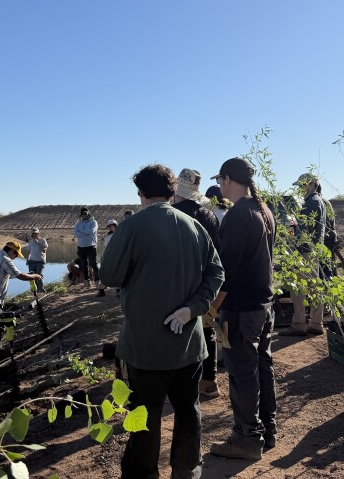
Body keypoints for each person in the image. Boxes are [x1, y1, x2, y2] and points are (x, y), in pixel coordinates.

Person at [101, 164, 225, 479]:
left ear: (141, 193)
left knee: (144, 416)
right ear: (172, 192)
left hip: (144, 347)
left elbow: (110, 276)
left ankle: (143, 475)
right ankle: (187, 471)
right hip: (189, 344)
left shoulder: (131, 227)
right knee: (188, 411)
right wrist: (192, 308)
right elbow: (216, 273)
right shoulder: (194, 226)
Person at [209, 157, 277, 461]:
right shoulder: (264, 210)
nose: (220, 186)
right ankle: (267, 431)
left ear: (227, 180)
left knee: (241, 374)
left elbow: (227, 270)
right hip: (263, 306)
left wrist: (212, 308)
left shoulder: (238, 214)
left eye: (220, 181)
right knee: (262, 367)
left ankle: (246, 438)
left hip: (240, 309)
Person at [171, 168, 222, 400]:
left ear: (176, 191)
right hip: (205, 287)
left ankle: (183, 386)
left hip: (178, 287)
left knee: (178, 331)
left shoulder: (172, 216)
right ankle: (209, 382)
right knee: (207, 332)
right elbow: (218, 256)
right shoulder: (208, 215)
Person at [0, 241, 43, 369]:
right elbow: (19, 276)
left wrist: (28, 275)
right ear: (12, 251)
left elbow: (10, 274)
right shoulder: (5, 259)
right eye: (16, 255)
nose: (15, 258)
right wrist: (35, 276)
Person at [280, 173, 327, 337]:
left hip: (304, 251)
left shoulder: (311, 202)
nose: (301, 188)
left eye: (303, 185)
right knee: (314, 288)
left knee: (298, 289)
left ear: (312, 184)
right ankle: (316, 323)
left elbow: (303, 231)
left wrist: (291, 234)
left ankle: (299, 324)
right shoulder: (318, 201)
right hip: (312, 251)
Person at [73, 207, 99, 287]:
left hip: (91, 246)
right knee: (84, 265)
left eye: (85, 213)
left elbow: (92, 231)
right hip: (81, 247)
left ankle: (97, 280)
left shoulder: (93, 222)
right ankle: (87, 281)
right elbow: (76, 234)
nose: (84, 215)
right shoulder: (78, 224)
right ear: (81, 215)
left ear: (88, 214)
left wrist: (81, 232)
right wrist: (86, 233)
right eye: (82, 214)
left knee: (93, 264)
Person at [97, 219, 118, 297]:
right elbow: (107, 248)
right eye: (109, 226)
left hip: (119, 256)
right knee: (103, 270)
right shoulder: (108, 236)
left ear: (115, 225)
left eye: (111, 226)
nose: (110, 228)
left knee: (118, 271)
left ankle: (118, 290)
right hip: (110, 256)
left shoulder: (121, 234)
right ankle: (101, 289)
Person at [26, 228, 48, 293]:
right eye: (34, 233)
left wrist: (37, 243)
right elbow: (29, 251)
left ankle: (41, 288)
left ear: (38, 233)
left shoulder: (43, 240)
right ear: (32, 234)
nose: (35, 235)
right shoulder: (30, 242)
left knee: (38, 274)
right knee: (32, 276)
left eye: (36, 233)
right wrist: (27, 260)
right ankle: (35, 290)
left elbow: (44, 250)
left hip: (40, 261)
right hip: (32, 261)